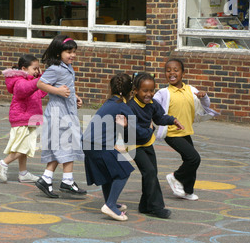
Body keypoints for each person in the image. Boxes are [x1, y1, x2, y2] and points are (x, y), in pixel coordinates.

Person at [82, 73, 154, 221]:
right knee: (123, 171)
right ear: (131, 91)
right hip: (100, 145)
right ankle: (109, 205)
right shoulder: (122, 106)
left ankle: (111, 202)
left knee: (107, 173)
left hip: (87, 144)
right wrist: (150, 130)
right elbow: (137, 132)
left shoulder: (108, 103)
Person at [154, 58, 219, 200]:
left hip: (186, 131)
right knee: (194, 158)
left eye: (175, 70)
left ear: (183, 73)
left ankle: (187, 191)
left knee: (190, 161)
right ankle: (175, 177)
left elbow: (205, 104)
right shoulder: (163, 93)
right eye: (168, 70)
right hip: (172, 133)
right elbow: (152, 108)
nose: (171, 73)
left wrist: (204, 96)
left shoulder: (191, 90)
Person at [35, 35, 86, 198]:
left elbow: (67, 87)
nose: (72, 55)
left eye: (74, 52)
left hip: (67, 111)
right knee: (67, 145)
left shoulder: (67, 67)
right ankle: (67, 181)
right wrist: (57, 91)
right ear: (58, 53)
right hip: (58, 114)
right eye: (69, 52)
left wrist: (74, 96)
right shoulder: (55, 69)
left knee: (62, 146)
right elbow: (40, 84)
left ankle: (47, 179)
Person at [128, 72, 184, 218]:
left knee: (152, 172)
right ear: (135, 91)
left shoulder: (152, 104)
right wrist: (149, 130)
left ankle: (145, 205)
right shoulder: (131, 107)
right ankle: (156, 207)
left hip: (147, 143)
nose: (149, 94)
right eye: (145, 91)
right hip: (133, 144)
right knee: (149, 172)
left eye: (152, 90)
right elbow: (133, 130)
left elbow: (159, 118)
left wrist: (172, 120)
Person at [0, 55, 47, 183]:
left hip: (30, 118)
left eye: (38, 69)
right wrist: (40, 80)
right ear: (24, 68)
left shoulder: (30, 80)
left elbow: (41, 92)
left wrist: (40, 77)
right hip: (22, 118)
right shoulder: (19, 81)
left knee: (24, 146)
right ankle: (3, 163)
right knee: (25, 146)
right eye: (35, 68)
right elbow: (25, 89)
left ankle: (23, 173)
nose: (37, 71)